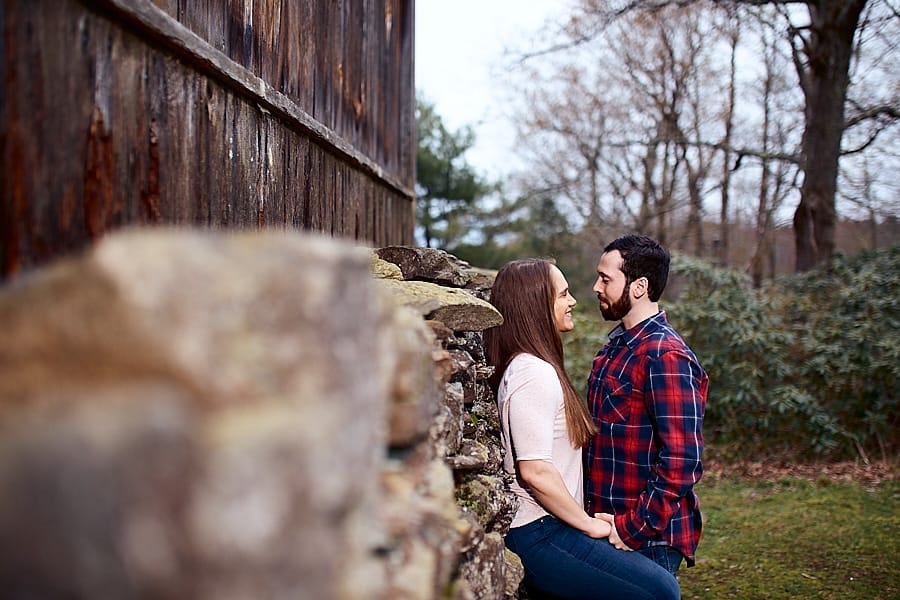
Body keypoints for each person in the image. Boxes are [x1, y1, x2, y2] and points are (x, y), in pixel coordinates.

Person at [485, 258, 680, 600]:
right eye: (563, 294)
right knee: (660, 590)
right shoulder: (532, 372)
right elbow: (535, 471)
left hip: (550, 526)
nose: (573, 300)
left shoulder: (531, 365)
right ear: (536, 305)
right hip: (538, 531)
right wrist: (588, 524)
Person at [584, 234, 708, 575]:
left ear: (639, 287)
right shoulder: (614, 348)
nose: (596, 287)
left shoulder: (665, 356)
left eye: (606, 279)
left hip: (648, 541)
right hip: (606, 527)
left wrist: (633, 528)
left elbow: (683, 459)